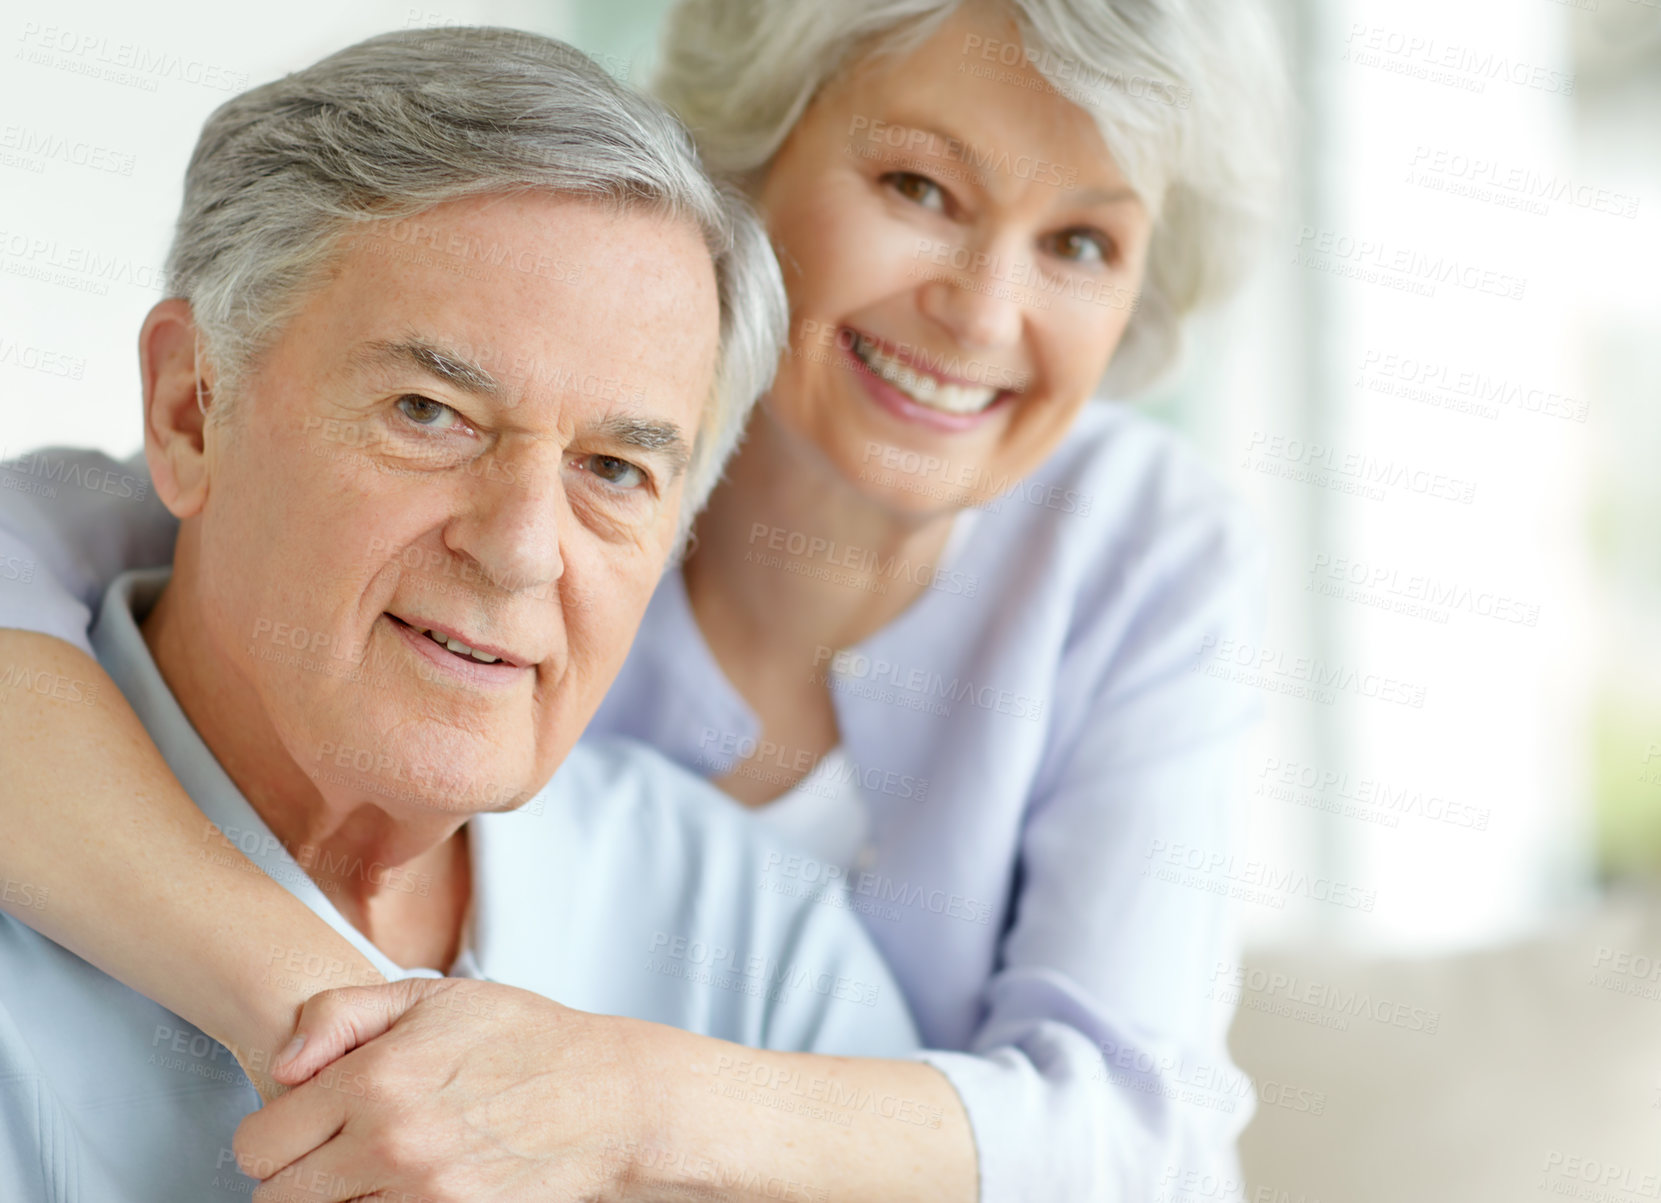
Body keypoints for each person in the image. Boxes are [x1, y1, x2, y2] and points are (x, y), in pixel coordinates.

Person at [0, 1, 1288, 1198]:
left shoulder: (1128, 560)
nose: (984, 310)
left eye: (616, 469)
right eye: (431, 414)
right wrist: (354, 1030)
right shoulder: (180, 490)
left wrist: (620, 1098)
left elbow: (1145, 1140)